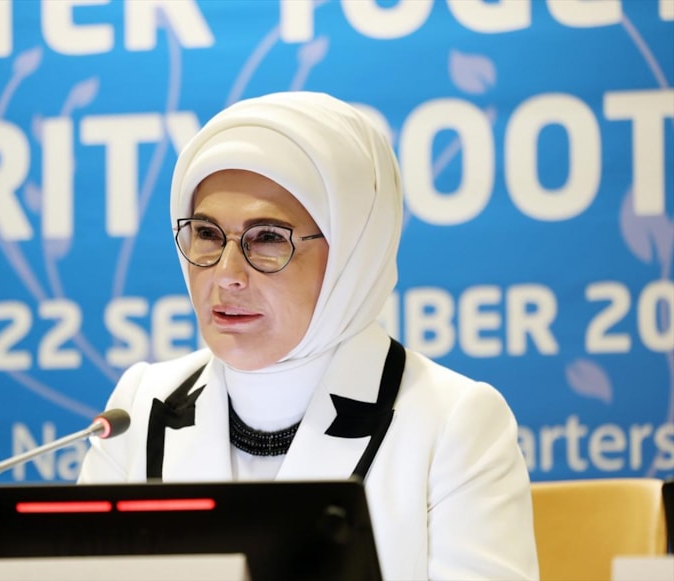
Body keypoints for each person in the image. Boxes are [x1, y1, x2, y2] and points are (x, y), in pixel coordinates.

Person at [78, 91, 539, 580]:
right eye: (207, 234)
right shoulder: (141, 406)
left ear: (352, 251)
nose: (227, 274)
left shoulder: (453, 423)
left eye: (268, 238)